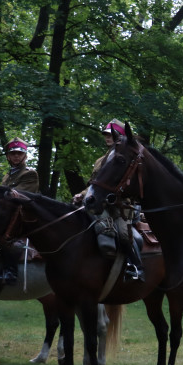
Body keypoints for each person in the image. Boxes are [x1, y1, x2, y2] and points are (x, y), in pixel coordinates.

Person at [74, 119, 145, 282]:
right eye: (106, 135)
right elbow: (93, 185)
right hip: (97, 204)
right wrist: (82, 194)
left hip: (119, 208)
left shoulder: (127, 158)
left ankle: (136, 268)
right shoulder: (100, 160)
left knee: (124, 234)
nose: (107, 138)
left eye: (110, 135)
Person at [0, 139, 39, 284]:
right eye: (13, 154)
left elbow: (17, 196)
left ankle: (11, 272)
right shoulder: (7, 175)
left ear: (25, 156)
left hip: (22, 214)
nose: (16, 157)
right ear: (8, 156)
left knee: (7, 238)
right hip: (7, 213)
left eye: (20, 154)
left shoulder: (30, 174)